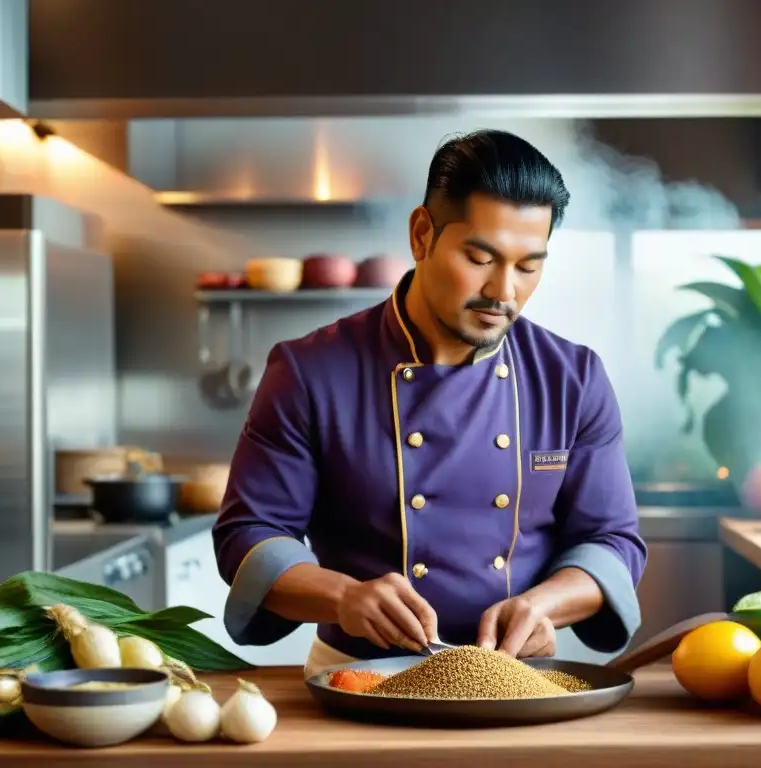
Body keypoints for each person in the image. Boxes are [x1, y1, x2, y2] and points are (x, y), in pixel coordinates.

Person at [212, 129, 648, 677]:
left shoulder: (573, 378)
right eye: (480, 257)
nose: (502, 291)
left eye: (528, 265)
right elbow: (250, 532)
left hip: (519, 683)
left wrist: (546, 605)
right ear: (422, 235)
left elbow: (611, 540)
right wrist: (344, 597)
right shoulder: (309, 371)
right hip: (358, 682)